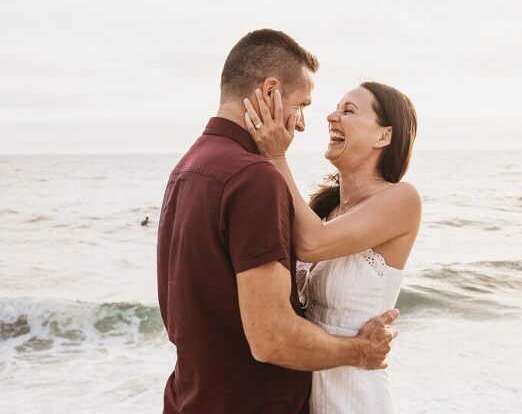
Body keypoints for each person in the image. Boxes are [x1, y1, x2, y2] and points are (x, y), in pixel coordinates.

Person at [156, 29, 398, 414]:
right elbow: (271, 338)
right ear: (270, 91)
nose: (302, 124)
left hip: (191, 398)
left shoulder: (187, 167)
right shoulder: (253, 177)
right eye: (301, 104)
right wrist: (360, 351)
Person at [243, 79, 421, 413]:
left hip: (355, 396)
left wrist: (275, 155)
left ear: (384, 136)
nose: (331, 117)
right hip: (302, 397)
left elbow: (311, 244)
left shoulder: (402, 199)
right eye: (336, 108)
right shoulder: (319, 212)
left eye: (348, 111)